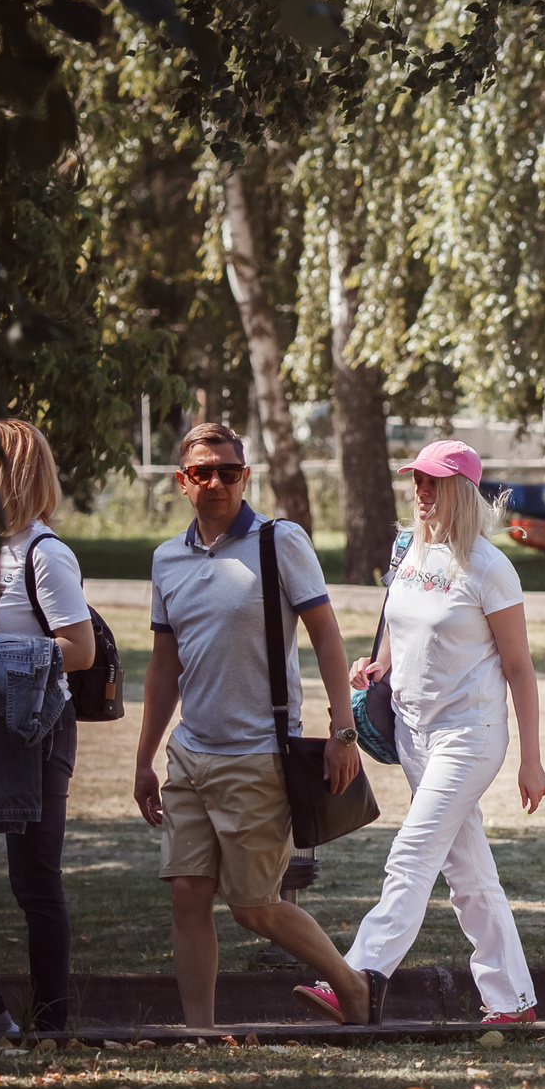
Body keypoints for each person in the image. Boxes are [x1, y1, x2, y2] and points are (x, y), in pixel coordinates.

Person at [298, 442, 544, 1027]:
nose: (421, 493)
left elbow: (519, 669)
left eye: (433, 483)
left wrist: (530, 760)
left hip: (470, 736)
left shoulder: (489, 567)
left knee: (410, 855)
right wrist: (375, 665)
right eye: (416, 482)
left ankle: (358, 977)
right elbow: (398, 628)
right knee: (468, 873)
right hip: (414, 736)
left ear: (461, 491)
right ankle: (512, 1000)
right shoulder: (409, 553)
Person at [134, 423, 371, 1027]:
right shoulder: (167, 559)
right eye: (201, 473)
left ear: (245, 476)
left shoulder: (278, 541)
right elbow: (164, 668)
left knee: (254, 907)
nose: (216, 482)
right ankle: (200, 1033)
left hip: (259, 754)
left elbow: (326, 636)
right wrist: (144, 758)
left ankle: (351, 984)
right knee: (186, 893)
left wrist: (343, 732)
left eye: (229, 472)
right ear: (182, 483)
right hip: (189, 753)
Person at [0, 420, 95, 1037]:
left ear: (5, 475)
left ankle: (50, 1025)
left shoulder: (45, 553)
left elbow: (80, 648)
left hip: (35, 729)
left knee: (33, 881)